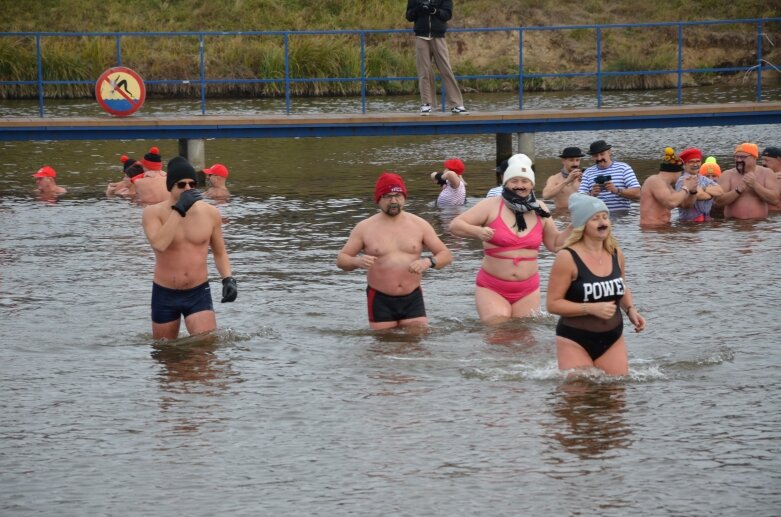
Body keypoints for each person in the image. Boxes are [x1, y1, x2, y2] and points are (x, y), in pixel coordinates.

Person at [449, 154, 571, 323]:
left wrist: (575, 226)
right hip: (493, 287)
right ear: (506, 183)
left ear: (531, 184)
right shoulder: (490, 205)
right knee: (498, 330)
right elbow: (455, 225)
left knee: (524, 337)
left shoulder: (540, 209)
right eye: (514, 181)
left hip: (528, 288)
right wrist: (477, 231)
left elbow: (555, 244)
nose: (520, 186)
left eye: (524, 181)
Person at [336, 172, 452, 330]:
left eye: (397, 195)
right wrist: (356, 261)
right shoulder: (364, 227)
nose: (393, 201)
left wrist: (428, 262)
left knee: (418, 343)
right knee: (384, 346)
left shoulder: (419, 225)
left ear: (404, 197)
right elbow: (341, 260)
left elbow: (445, 255)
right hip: (380, 298)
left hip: (412, 296)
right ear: (378, 199)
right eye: (387, 196)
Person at [547, 193, 646, 376]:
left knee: (616, 396)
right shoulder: (567, 257)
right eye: (595, 218)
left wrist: (631, 309)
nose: (603, 222)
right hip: (574, 338)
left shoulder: (615, 252)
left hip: (612, 336)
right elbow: (553, 304)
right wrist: (590, 308)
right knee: (577, 398)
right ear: (582, 225)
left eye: (605, 217)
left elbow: (621, 287)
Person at [142, 156, 237, 340]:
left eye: (192, 184)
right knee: (166, 354)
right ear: (170, 186)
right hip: (165, 293)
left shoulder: (210, 213)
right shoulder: (152, 213)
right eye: (181, 185)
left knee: (205, 348)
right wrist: (179, 210)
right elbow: (160, 245)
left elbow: (220, 252)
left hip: (197, 291)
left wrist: (228, 279)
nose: (188, 189)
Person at [405, 0, 468, 115]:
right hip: (421, 36)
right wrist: (418, 9)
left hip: (439, 37)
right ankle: (427, 104)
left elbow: (447, 15)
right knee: (424, 72)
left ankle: (456, 104)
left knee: (446, 70)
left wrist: (434, 11)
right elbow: (409, 16)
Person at [715, 143, 779, 220]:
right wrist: (738, 190)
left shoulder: (766, 173)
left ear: (754, 158)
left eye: (742, 157)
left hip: (759, 225)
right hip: (733, 224)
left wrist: (755, 185)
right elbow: (718, 202)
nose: (738, 160)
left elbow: (774, 200)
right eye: (736, 157)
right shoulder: (727, 174)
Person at [639, 147, 699, 226]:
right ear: (677, 172)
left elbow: (686, 205)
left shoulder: (667, 186)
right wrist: (686, 187)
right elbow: (671, 203)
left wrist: (693, 191)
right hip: (652, 231)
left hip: (664, 228)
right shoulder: (655, 180)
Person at [578, 139, 641, 211]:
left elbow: (638, 194)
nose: (599, 158)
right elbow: (579, 200)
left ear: (609, 152)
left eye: (602, 154)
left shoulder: (624, 168)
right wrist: (591, 195)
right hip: (597, 217)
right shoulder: (588, 173)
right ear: (592, 157)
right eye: (595, 155)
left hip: (621, 215)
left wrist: (617, 190)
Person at [675, 148, 723, 222]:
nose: (695, 164)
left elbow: (720, 191)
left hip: (705, 223)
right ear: (684, 164)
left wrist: (703, 189)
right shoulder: (682, 180)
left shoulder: (703, 178)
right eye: (691, 162)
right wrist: (710, 194)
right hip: (688, 223)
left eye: (698, 161)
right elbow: (699, 195)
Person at [760, 147, 781, 212]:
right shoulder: (759, 175)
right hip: (765, 216)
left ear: (779, 160)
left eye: (767, 160)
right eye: (762, 160)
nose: (763, 163)